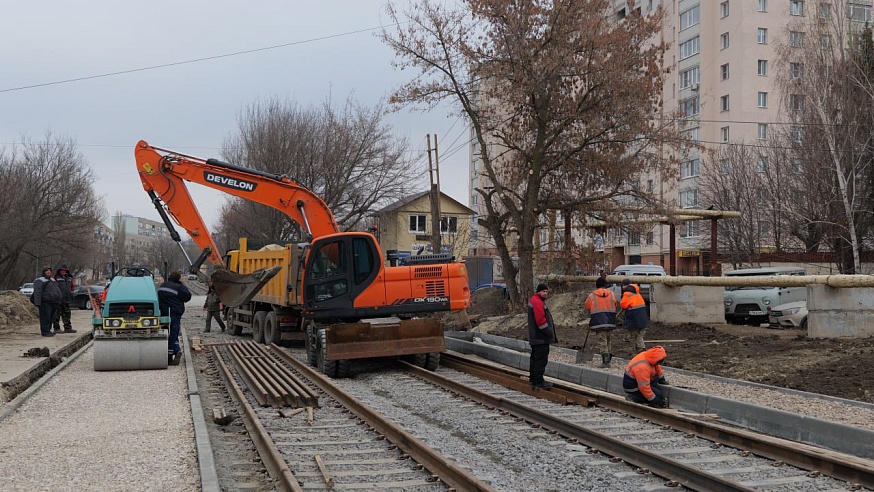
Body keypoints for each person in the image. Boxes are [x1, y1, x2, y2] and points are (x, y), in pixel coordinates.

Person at [158, 271, 192, 365]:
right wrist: (181, 285)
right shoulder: (179, 287)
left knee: (167, 333)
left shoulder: (162, 286)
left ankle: (177, 349)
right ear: (178, 278)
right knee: (173, 334)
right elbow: (187, 297)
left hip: (164, 313)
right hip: (175, 313)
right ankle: (169, 358)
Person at [527, 283, 557, 389]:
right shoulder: (537, 302)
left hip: (536, 337)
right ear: (538, 292)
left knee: (535, 358)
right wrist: (549, 332)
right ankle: (538, 381)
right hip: (540, 337)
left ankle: (533, 378)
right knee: (541, 359)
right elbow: (540, 321)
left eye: (546, 292)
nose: (545, 293)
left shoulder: (535, 301)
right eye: (543, 291)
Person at [585, 277, 618, 367]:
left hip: (598, 321)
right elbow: (615, 304)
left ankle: (606, 361)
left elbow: (587, 305)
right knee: (608, 340)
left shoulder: (592, 295)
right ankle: (609, 358)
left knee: (602, 341)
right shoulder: (612, 294)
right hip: (610, 320)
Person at [619, 278, 649, 354]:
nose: (622, 287)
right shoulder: (637, 293)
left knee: (633, 336)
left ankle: (635, 352)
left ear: (624, 286)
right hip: (642, 319)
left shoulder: (627, 293)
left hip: (634, 319)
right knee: (639, 336)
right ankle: (641, 350)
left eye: (622, 285)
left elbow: (623, 305)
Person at [33, 266, 62, 337]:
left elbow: (57, 290)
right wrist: (37, 302)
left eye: (49, 270)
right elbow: (37, 292)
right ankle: (45, 331)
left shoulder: (52, 280)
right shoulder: (40, 280)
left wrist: (59, 299)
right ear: (44, 272)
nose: (49, 272)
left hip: (54, 302)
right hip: (45, 302)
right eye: (47, 270)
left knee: (51, 317)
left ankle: (48, 330)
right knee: (45, 317)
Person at [52, 264, 77, 334]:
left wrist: (72, 293)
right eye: (62, 270)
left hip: (67, 299)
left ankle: (68, 328)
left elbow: (72, 286)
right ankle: (56, 328)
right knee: (57, 314)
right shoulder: (55, 278)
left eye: (65, 271)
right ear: (59, 271)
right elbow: (53, 287)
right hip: (58, 299)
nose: (63, 272)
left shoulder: (69, 278)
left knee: (67, 314)